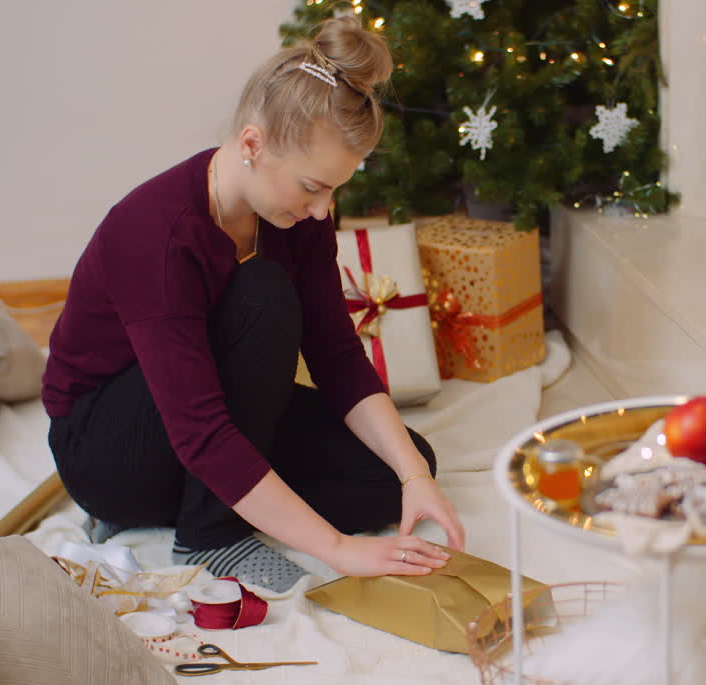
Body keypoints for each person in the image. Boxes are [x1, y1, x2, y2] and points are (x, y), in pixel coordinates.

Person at [42, 16, 464, 593]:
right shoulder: (156, 234)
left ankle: (213, 500)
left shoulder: (297, 216)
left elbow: (337, 355)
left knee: (393, 474)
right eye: (313, 186)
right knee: (261, 295)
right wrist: (338, 551)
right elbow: (199, 429)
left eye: (336, 189)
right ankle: (208, 535)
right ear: (251, 144)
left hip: (212, 408)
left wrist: (414, 475)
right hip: (111, 444)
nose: (323, 209)